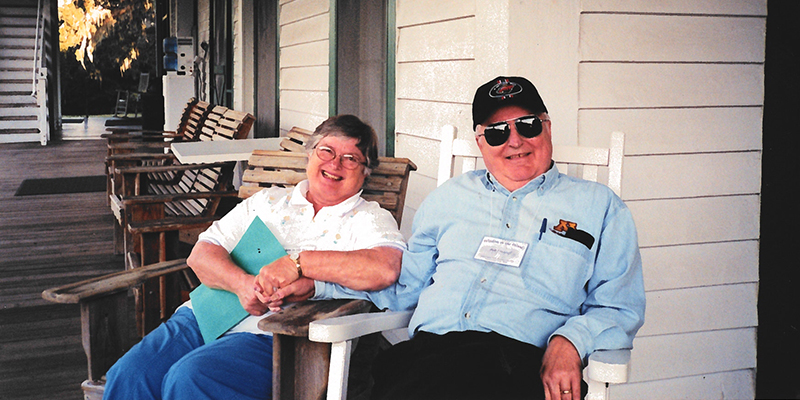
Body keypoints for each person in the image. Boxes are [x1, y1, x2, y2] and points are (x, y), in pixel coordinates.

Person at [316, 76, 645, 400]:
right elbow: (405, 288)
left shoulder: (600, 207)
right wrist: (316, 284)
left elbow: (619, 306)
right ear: (480, 142)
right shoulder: (448, 198)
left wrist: (570, 341)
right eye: (497, 132)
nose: (514, 141)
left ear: (547, 127)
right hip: (426, 359)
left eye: (527, 125)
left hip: (520, 364)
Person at [102, 115, 406, 400]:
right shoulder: (269, 201)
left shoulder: (368, 219)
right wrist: (242, 285)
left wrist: (299, 266)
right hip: (205, 315)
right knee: (130, 376)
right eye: (326, 151)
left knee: (190, 378)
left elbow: (385, 268)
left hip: (274, 334)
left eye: (351, 158)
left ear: (366, 171)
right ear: (310, 155)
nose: (335, 164)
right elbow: (202, 253)